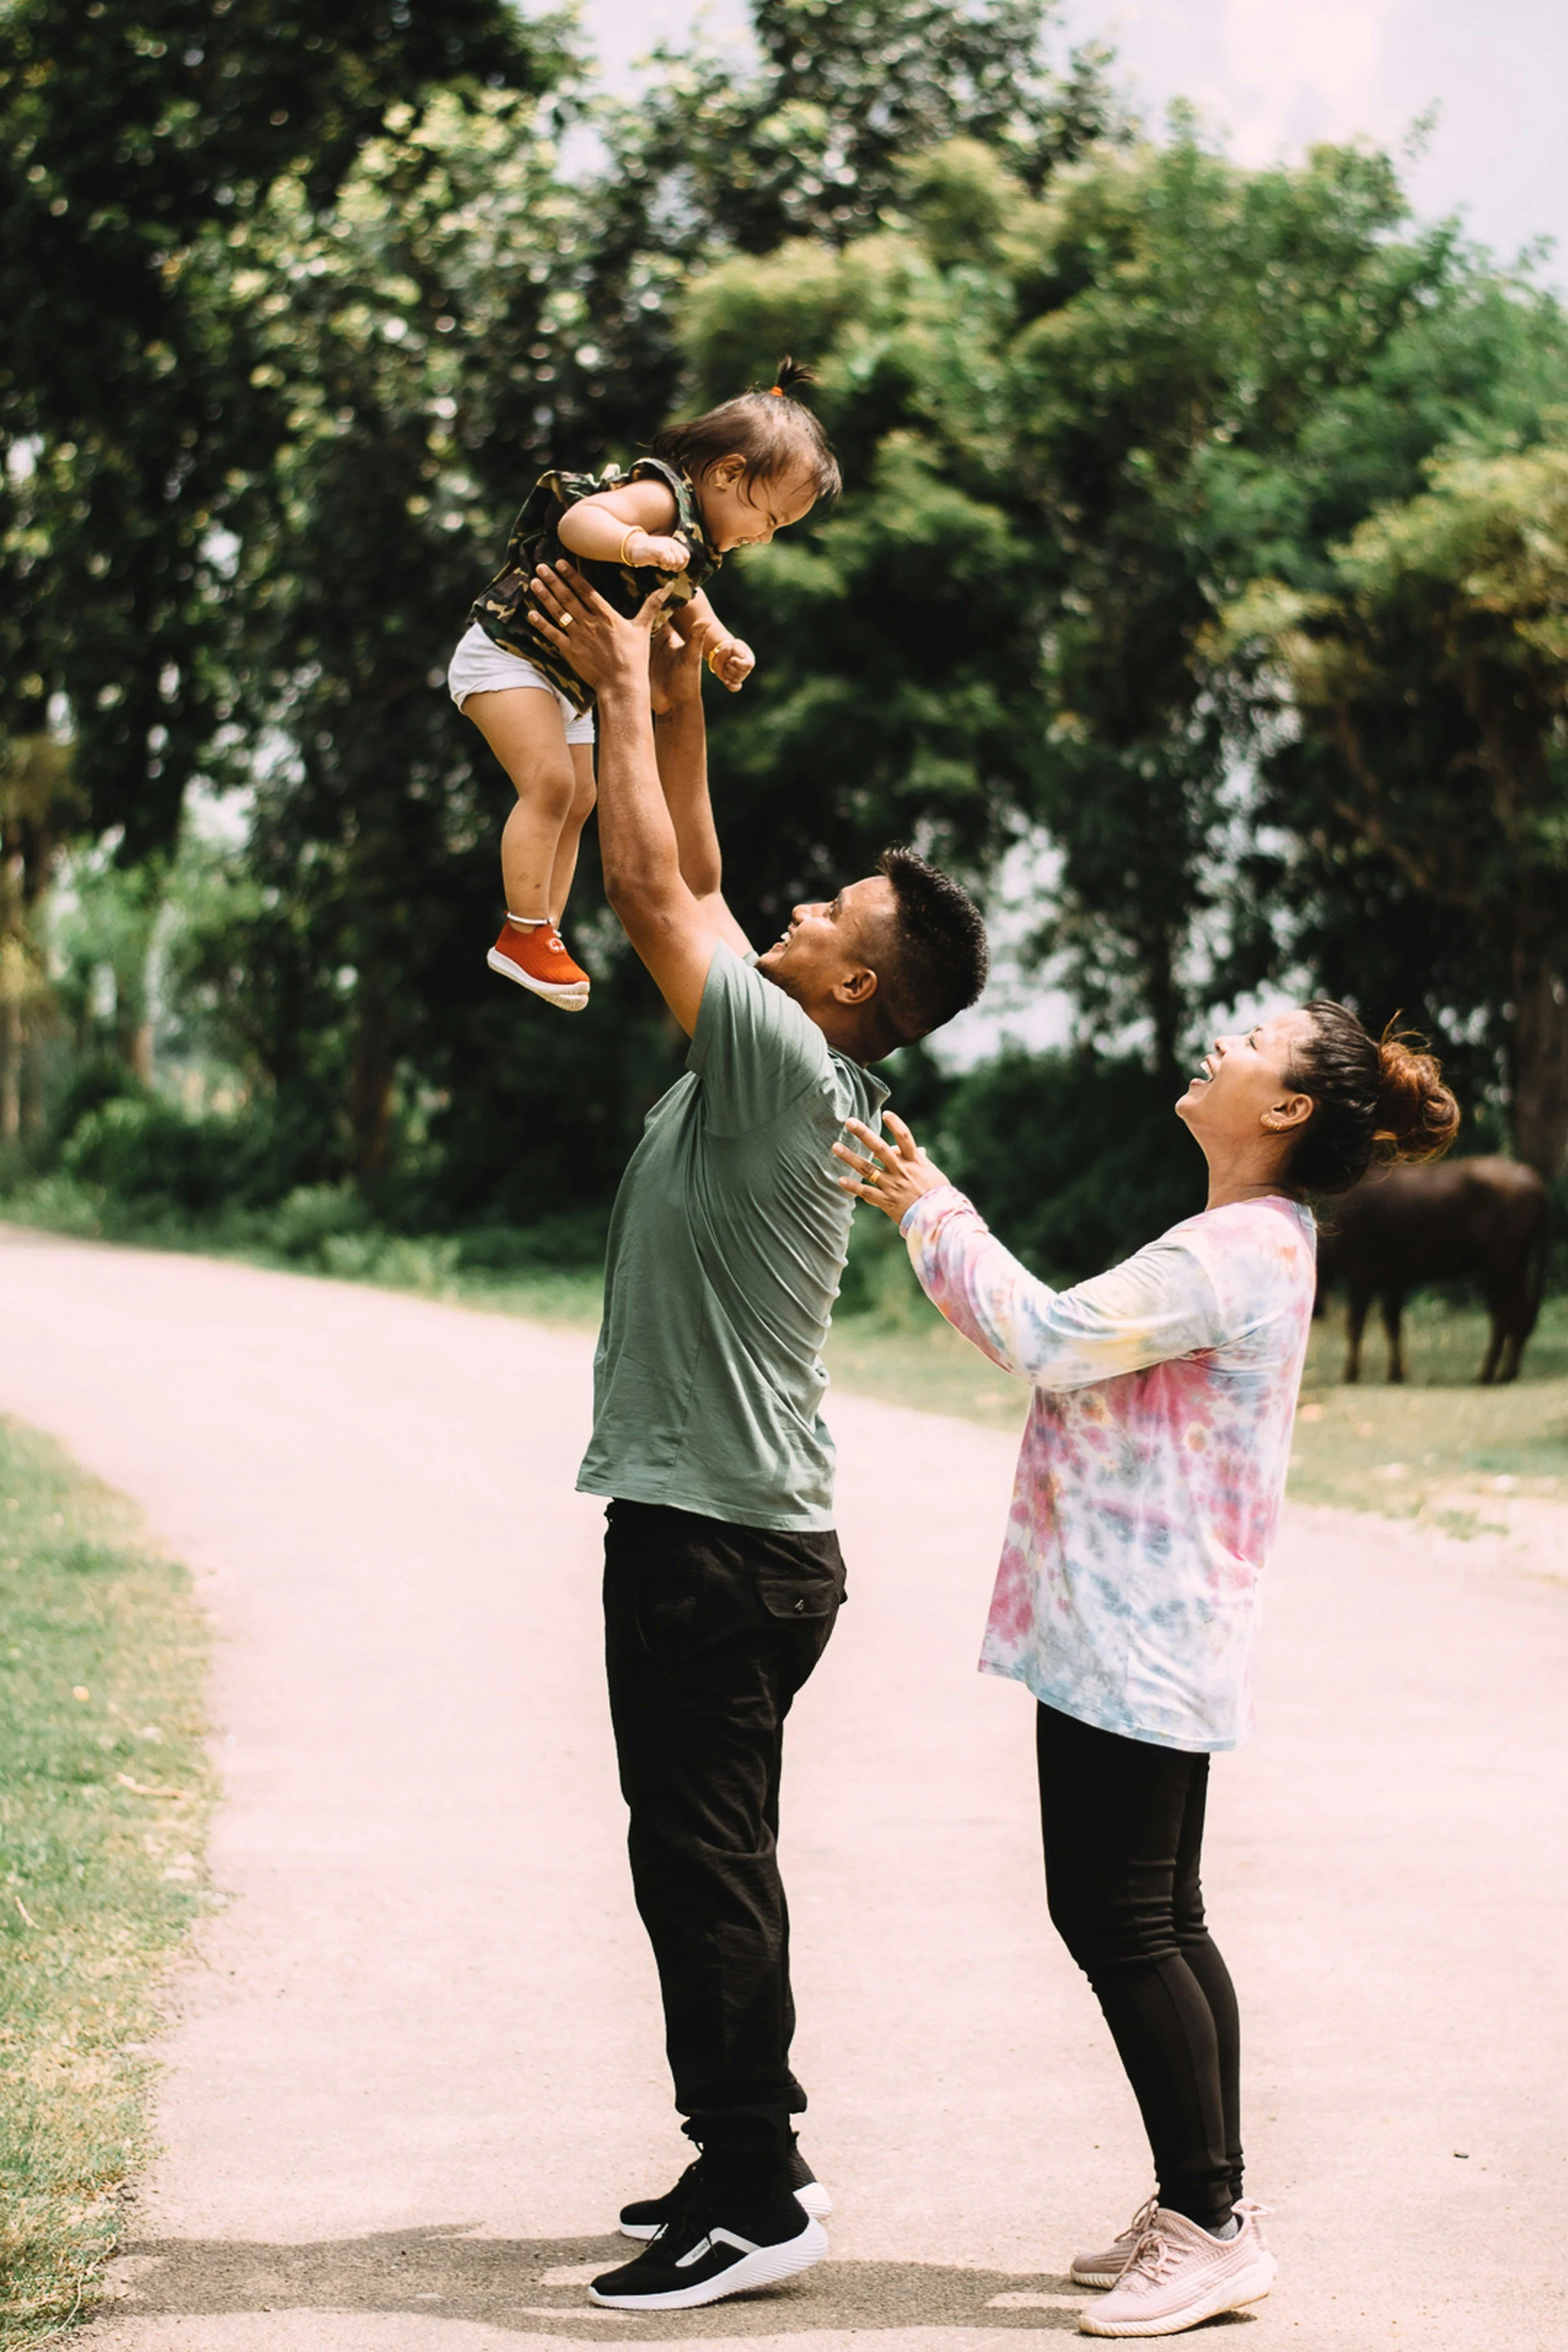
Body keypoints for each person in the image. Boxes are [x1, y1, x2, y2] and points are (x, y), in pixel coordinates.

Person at [834, 1006, 1459, 2339]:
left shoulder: (1236, 1245)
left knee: (1118, 1915)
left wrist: (936, 1209)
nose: (1226, 1039)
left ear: (1288, 1109)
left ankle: (1211, 2220)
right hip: (1152, 1615)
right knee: (1160, 1912)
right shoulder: (1258, 1237)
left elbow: (1050, 1336)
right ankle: (1203, 2200)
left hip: (1136, 1622)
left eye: (1259, 1038)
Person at [523, 556, 989, 2312]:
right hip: (730, 1537)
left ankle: (756, 2185)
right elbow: (701, 870)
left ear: (857, 991)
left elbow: (646, 879)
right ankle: (737, 2153)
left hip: (714, 1546)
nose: (787, 914)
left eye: (829, 919)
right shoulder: (789, 1049)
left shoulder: (780, 1062)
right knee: (695, 1853)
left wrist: (620, 695)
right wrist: (676, 676)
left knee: (699, 1862)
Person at [447, 360, 840, 1012]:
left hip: (564, 679)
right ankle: (522, 929)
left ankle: (543, 929)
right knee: (550, 786)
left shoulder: (701, 544)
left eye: (777, 531)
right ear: (726, 474)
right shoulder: (661, 499)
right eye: (767, 519)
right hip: (509, 654)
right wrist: (635, 545)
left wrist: (718, 644)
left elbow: (689, 603)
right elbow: (580, 522)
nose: (764, 537)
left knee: (581, 798)